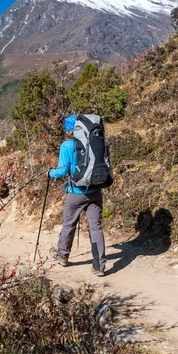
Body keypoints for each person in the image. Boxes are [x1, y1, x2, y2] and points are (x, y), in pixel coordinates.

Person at [49, 115, 106, 277]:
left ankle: (62, 255)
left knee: (69, 224)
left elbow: (62, 171)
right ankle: (99, 266)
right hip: (95, 191)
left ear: (68, 129)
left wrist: (49, 173)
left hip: (76, 193)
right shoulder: (96, 143)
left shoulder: (67, 145)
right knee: (96, 227)